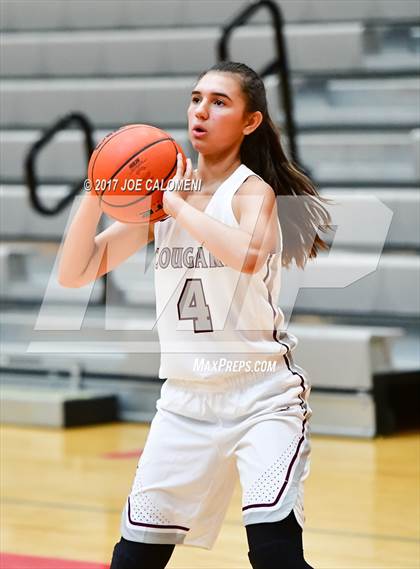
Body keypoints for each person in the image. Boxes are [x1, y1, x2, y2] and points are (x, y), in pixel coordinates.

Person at [59, 61, 332, 569]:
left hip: (261, 397)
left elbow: (247, 255)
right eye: (196, 98)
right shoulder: (159, 202)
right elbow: (77, 273)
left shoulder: (250, 192)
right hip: (184, 402)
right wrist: (95, 194)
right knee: (132, 562)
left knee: (275, 558)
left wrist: (181, 207)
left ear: (250, 122)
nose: (201, 111)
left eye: (219, 101)